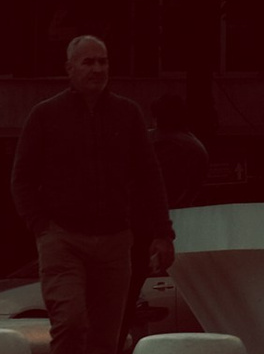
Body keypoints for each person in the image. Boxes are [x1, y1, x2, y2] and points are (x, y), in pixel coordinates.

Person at [8, 37, 174, 354]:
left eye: (103, 61)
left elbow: (149, 177)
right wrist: (42, 227)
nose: (98, 68)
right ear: (69, 69)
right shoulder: (45, 115)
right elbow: (21, 177)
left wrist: (162, 234)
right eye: (88, 62)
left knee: (105, 339)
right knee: (70, 323)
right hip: (63, 239)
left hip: (114, 242)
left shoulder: (128, 114)